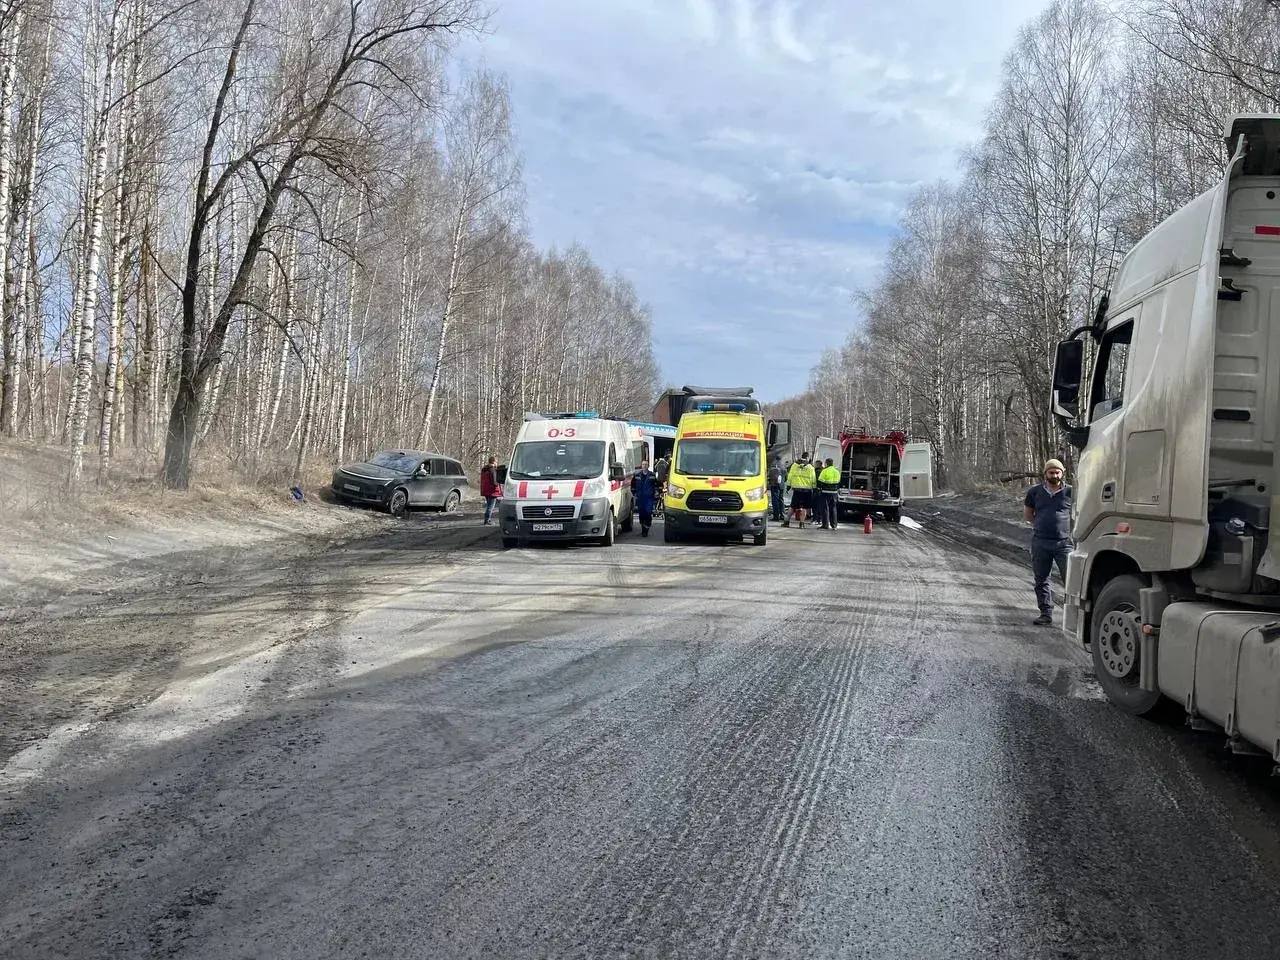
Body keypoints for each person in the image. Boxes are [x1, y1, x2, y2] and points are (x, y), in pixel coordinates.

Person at [1024, 458, 1073, 626]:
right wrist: (1041, 526)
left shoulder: (1071, 493)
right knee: (1042, 578)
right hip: (1040, 542)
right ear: (1045, 474)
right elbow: (1029, 514)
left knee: (1071, 580)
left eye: (1057, 472)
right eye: (1051, 472)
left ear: (1062, 473)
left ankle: (1073, 617)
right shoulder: (1034, 492)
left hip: (1064, 543)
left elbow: (1078, 514)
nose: (1054, 475)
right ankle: (1045, 613)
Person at [784, 453, 816, 528]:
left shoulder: (794, 465)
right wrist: (814, 488)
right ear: (808, 457)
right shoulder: (810, 467)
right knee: (804, 507)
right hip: (807, 490)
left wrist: (788, 485)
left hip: (797, 489)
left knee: (792, 506)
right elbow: (813, 479)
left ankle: (786, 521)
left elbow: (790, 476)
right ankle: (801, 524)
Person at [631, 459, 659, 537]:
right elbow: (633, 485)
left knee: (648, 513)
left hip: (649, 498)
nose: (644, 466)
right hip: (640, 498)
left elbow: (656, 485)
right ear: (641, 465)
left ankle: (646, 528)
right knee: (641, 514)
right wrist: (634, 493)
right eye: (643, 464)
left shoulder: (652, 475)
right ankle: (643, 528)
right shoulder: (637, 475)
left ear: (648, 466)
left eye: (646, 464)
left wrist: (656, 493)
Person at [817, 457, 841, 530]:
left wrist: (819, 489)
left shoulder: (825, 471)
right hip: (834, 493)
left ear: (826, 463)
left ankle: (825, 525)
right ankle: (834, 525)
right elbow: (839, 482)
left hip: (825, 492)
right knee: (833, 508)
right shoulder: (837, 471)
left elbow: (820, 482)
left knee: (825, 508)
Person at [480, 455, 502, 525]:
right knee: (490, 507)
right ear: (494, 462)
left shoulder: (484, 469)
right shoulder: (492, 470)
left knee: (488, 506)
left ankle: (486, 520)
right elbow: (494, 482)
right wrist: (499, 483)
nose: (497, 463)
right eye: (496, 461)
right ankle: (487, 520)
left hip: (485, 490)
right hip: (492, 491)